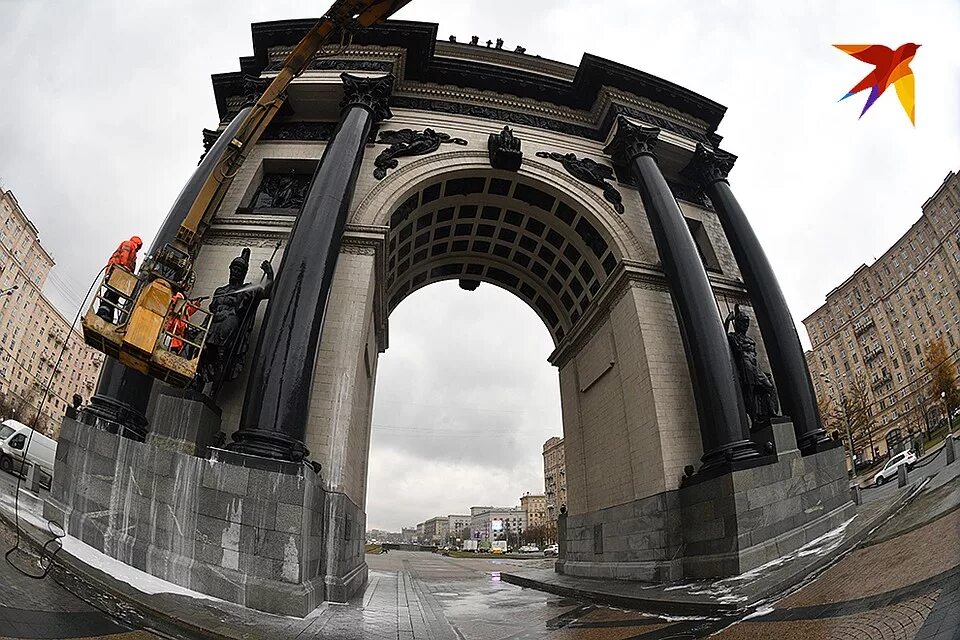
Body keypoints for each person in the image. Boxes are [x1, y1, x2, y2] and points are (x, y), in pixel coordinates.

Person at [97, 235, 142, 323]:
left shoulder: (133, 251)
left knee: (114, 295)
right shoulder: (129, 244)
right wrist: (123, 266)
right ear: (138, 243)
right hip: (117, 271)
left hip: (120, 273)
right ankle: (102, 312)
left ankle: (109, 315)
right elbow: (124, 255)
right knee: (111, 293)